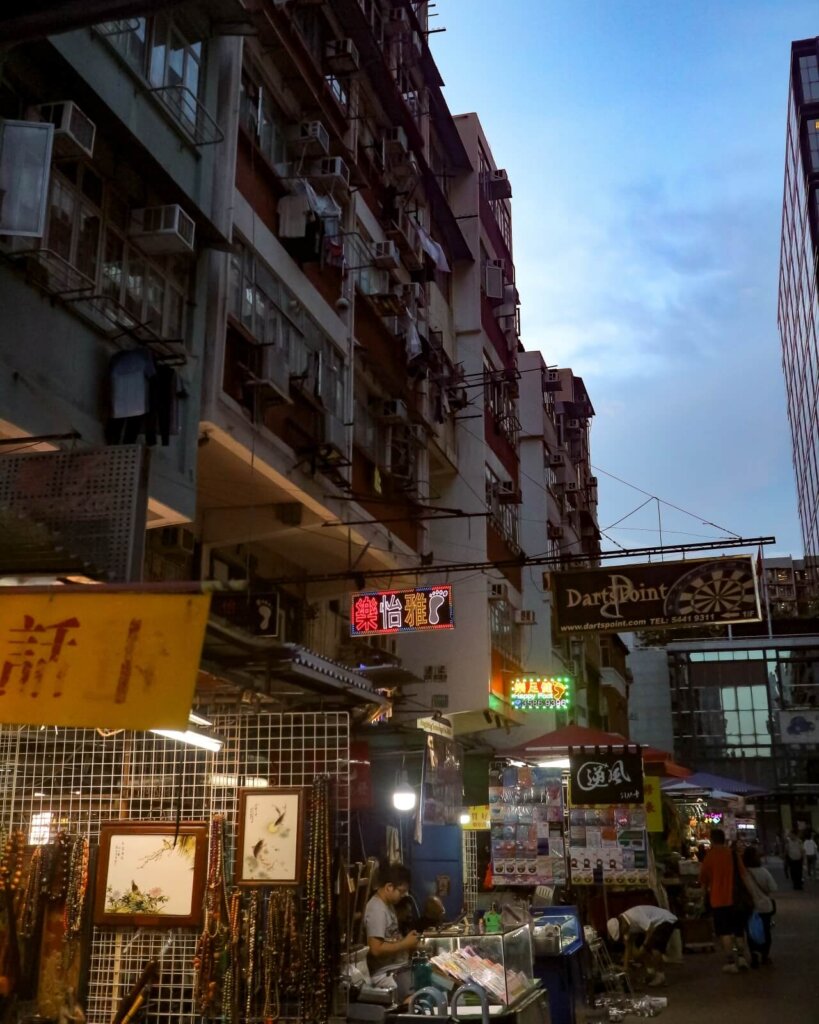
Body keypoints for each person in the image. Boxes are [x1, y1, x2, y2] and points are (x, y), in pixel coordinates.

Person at [699, 829, 750, 972]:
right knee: (739, 930)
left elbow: (704, 881)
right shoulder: (733, 854)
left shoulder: (709, 857)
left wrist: (703, 899)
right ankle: (741, 957)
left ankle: (731, 962)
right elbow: (744, 875)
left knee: (725, 932)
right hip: (736, 899)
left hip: (718, 900)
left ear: (712, 840)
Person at [364, 863, 420, 991]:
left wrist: (411, 944)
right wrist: (405, 944)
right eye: (401, 891)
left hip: (398, 968)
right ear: (389, 887)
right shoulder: (377, 909)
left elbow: (392, 939)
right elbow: (376, 949)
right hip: (385, 974)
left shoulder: (388, 905)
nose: (404, 895)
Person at [606, 906, 678, 987]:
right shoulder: (625, 927)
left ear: (621, 924)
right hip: (651, 927)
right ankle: (651, 973)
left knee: (655, 949)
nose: (623, 934)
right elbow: (628, 947)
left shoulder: (635, 915)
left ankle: (660, 976)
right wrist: (625, 968)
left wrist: (644, 946)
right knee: (638, 950)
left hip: (665, 920)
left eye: (621, 932)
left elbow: (650, 930)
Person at [742, 845, 777, 967]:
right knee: (766, 931)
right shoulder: (764, 872)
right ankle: (765, 956)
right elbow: (773, 887)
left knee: (751, 932)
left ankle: (754, 956)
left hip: (749, 907)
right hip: (764, 907)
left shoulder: (743, 874)